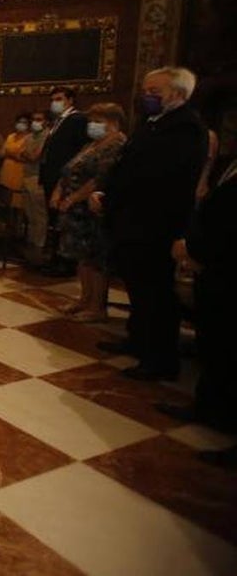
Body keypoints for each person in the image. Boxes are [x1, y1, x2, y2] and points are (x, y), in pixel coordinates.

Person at [95, 67, 208, 381]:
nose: (147, 97)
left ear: (178, 94)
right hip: (132, 220)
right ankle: (138, 339)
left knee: (155, 294)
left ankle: (160, 359)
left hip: (155, 224)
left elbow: (161, 178)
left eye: (154, 92)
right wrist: (107, 193)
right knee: (138, 289)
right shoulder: (152, 124)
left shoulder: (185, 128)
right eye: (146, 90)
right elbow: (126, 165)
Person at [157, 156, 237, 451]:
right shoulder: (227, 164)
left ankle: (223, 414)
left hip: (224, 265)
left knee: (226, 346)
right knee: (215, 343)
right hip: (214, 267)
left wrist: (196, 251)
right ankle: (210, 406)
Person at [52, 103, 127, 321]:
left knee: (96, 259)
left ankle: (97, 306)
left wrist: (74, 198)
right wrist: (59, 191)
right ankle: (84, 299)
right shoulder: (92, 144)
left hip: (92, 208)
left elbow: (100, 179)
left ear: (113, 122)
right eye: (91, 121)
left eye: (98, 121)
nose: (92, 125)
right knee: (83, 257)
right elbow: (70, 169)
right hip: (75, 210)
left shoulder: (116, 145)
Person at [39, 86, 89, 275]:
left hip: (65, 179)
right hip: (52, 177)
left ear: (70, 100)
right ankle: (55, 258)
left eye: (58, 98)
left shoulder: (77, 120)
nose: (54, 102)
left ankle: (65, 262)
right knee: (54, 219)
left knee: (64, 220)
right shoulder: (58, 121)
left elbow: (79, 150)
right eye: (52, 99)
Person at [20, 110, 50, 265]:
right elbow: (22, 154)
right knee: (30, 214)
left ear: (45, 121)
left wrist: (27, 154)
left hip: (38, 178)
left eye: (39, 119)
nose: (35, 122)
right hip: (26, 176)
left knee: (39, 216)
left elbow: (33, 156)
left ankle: (39, 247)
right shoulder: (29, 137)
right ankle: (30, 246)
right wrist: (27, 154)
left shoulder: (48, 136)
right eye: (33, 119)